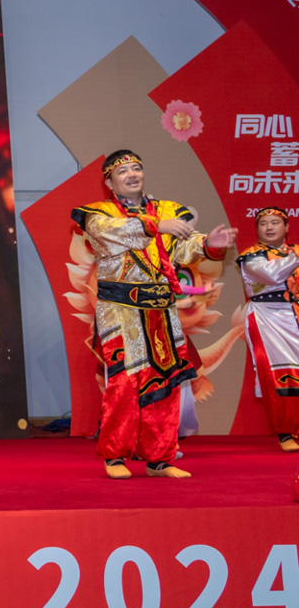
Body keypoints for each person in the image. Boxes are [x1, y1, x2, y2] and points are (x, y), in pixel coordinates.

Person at [71, 149, 235, 479]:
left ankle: (160, 459)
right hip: (121, 310)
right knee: (124, 382)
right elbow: (110, 234)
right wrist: (156, 225)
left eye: (137, 168)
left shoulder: (167, 211)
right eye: (123, 171)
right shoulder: (97, 214)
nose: (132, 174)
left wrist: (209, 245)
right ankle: (115, 456)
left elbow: (182, 248)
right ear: (109, 181)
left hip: (161, 309)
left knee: (166, 382)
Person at [236, 206, 299, 452]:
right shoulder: (251, 256)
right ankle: (286, 431)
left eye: (275, 222)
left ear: (287, 227)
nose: (270, 227)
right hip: (268, 317)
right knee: (280, 374)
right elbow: (273, 275)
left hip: (294, 314)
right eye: (264, 223)